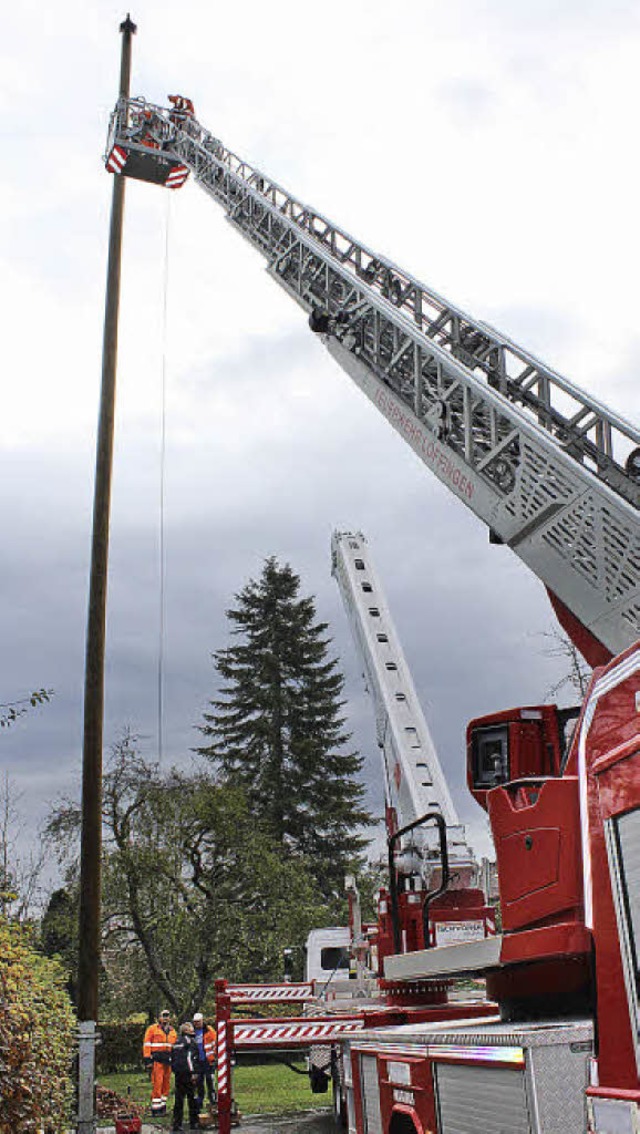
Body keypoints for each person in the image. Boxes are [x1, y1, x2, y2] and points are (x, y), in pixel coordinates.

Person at [143, 1009, 177, 1117]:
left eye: (168, 1016)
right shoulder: (152, 1029)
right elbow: (147, 1045)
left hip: (168, 1061)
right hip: (157, 1060)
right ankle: (155, 1109)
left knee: (166, 1085)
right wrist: (148, 1060)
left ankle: (163, 1107)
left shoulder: (172, 1031)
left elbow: (174, 1047)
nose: (166, 1018)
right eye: (164, 1016)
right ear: (159, 1018)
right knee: (157, 1084)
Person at [170, 1022, 200, 1132]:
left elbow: (173, 1058)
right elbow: (190, 1058)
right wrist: (193, 1073)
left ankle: (177, 1123)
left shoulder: (176, 1042)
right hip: (188, 1073)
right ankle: (194, 1122)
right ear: (186, 1031)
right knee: (192, 1098)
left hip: (178, 1073)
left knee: (179, 1099)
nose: (193, 1030)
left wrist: (175, 1070)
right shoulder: (190, 1042)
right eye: (191, 1028)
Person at [192, 1012, 217, 1112]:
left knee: (210, 1081)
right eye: (195, 1022)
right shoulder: (192, 1032)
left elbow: (215, 1044)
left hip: (208, 1061)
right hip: (197, 1062)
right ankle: (199, 1102)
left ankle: (213, 1101)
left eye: (198, 1022)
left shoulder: (209, 1031)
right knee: (199, 1083)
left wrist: (215, 1057)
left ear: (203, 1021)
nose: (197, 1024)